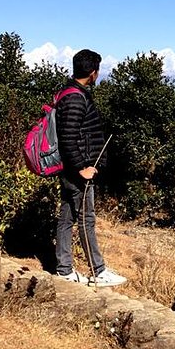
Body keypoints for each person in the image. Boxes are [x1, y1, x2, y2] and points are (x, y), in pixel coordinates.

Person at [54, 49, 126, 287]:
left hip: (73, 168)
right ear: (93, 72)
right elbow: (67, 136)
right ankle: (98, 271)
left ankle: (64, 269)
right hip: (80, 170)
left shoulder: (70, 93)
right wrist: (80, 168)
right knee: (87, 219)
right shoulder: (75, 98)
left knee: (67, 217)